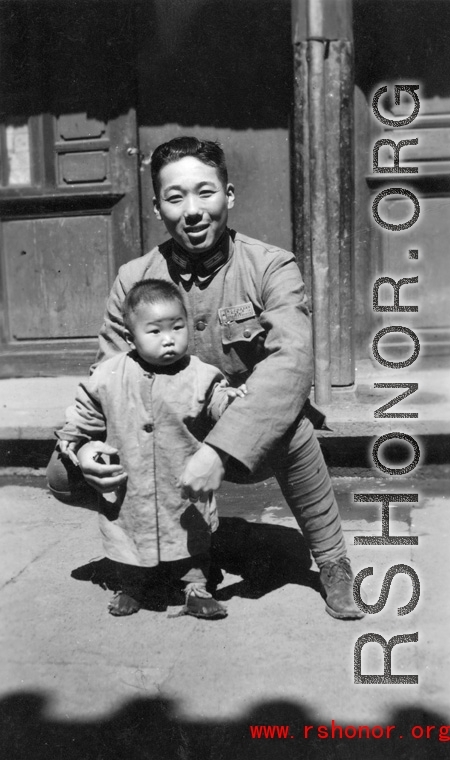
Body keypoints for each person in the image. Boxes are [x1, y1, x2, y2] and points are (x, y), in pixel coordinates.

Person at [48, 136, 363, 620]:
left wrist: (219, 449)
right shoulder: (134, 277)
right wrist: (86, 446)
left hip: (241, 430)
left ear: (229, 196)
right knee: (62, 472)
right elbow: (106, 375)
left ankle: (333, 561)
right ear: (157, 207)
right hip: (158, 435)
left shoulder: (270, 265)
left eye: (205, 193)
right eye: (175, 197)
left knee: (294, 428)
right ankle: (151, 550)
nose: (192, 211)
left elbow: (291, 364)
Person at [56, 278, 246, 618]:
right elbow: (82, 417)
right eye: (154, 331)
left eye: (177, 326)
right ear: (130, 338)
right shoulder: (108, 375)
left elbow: (216, 403)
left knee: (192, 544)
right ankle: (131, 587)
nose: (169, 338)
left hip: (181, 484)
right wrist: (80, 445)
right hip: (130, 484)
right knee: (128, 540)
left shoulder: (201, 373)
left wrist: (227, 401)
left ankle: (196, 588)